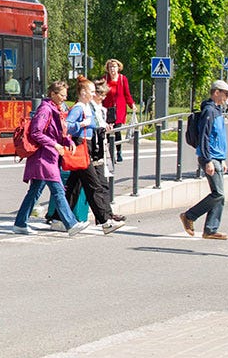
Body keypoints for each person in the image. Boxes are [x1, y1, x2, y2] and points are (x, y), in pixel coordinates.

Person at [13, 80, 90, 236]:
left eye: (65, 95)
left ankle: (20, 223)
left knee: (34, 191)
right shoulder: (45, 109)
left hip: (47, 157)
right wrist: (55, 145)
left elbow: (58, 132)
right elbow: (36, 132)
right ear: (53, 94)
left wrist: (67, 141)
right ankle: (71, 224)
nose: (64, 98)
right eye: (62, 95)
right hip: (43, 158)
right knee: (58, 190)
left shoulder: (56, 108)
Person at [64, 76, 125, 234]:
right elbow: (67, 126)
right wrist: (81, 124)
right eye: (91, 91)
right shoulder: (79, 107)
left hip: (87, 145)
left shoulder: (85, 107)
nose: (93, 94)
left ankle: (58, 217)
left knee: (74, 185)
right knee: (93, 185)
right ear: (83, 92)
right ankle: (105, 222)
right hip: (81, 145)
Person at [180, 79, 228, 240]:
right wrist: (207, 159)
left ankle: (210, 229)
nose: (227, 98)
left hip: (217, 157)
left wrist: (222, 159)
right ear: (216, 92)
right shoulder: (209, 111)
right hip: (209, 157)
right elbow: (204, 136)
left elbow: (218, 137)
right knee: (218, 194)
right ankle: (189, 216)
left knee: (219, 195)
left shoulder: (217, 110)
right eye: (225, 94)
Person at [102, 58, 136, 162]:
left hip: (119, 109)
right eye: (110, 67)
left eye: (114, 67)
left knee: (117, 130)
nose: (112, 69)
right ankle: (108, 153)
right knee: (107, 131)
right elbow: (101, 92)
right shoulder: (105, 79)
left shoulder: (122, 79)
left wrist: (132, 104)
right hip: (107, 108)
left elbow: (127, 93)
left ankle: (119, 152)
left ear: (118, 68)